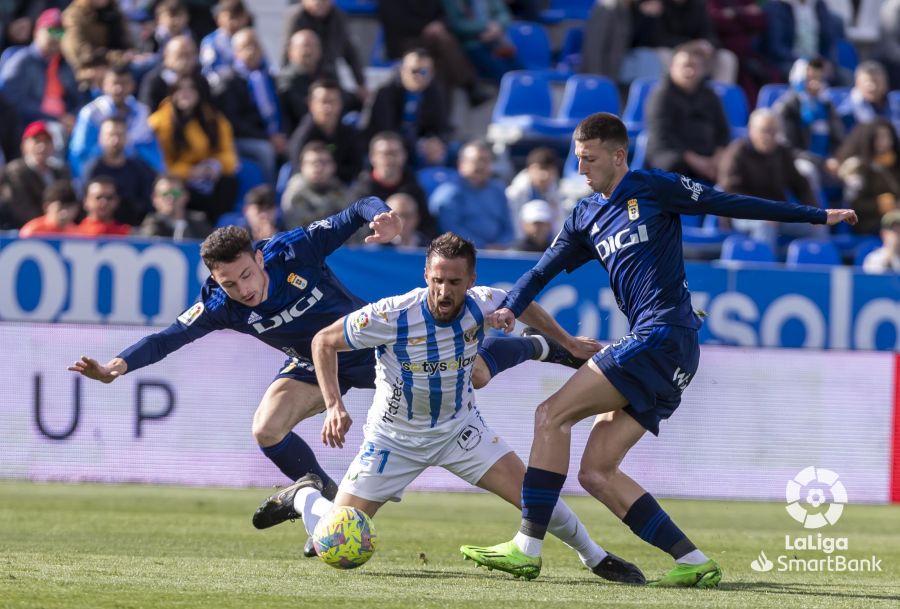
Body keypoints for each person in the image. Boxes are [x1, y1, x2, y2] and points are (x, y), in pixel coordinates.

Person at [458, 112, 858, 586]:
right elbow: (540, 270)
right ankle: (693, 561)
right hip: (671, 349)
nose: (580, 169)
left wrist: (817, 216)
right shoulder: (585, 216)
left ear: (618, 155)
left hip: (662, 334)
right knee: (597, 472)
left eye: (589, 159)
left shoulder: (653, 187)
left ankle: (527, 547)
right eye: (576, 158)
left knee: (551, 415)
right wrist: (513, 307)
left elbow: (729, 201)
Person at [68, 197, 583, 522]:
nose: (244, 289)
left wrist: (378, 215)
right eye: (230, 283)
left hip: (373, 347)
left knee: (475, 373)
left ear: (256, 256)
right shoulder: (220, 305)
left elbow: (354, 210)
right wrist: (117, 366)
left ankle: (543, 346)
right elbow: (167, 338)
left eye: (247, 275)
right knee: (266, 428)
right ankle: (317, 487)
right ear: (216, 279)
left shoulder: (292, 251)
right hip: (315, 363)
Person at [251, 232, 645, 585]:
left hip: (460, 431)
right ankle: (304, 495)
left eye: (454, 282)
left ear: (470, 281)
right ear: (426, 275)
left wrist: (569, 342)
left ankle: (595, 557)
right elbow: (323, 341)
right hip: (393, 441)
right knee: (333, 542)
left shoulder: (481, 302)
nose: (444, 291)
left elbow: (524, 306)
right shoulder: (391, 315)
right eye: (437, 280)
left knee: (534, 496)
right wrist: (334, 404)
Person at [281, 141, 347, 230]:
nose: (318, 168)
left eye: (323, 162)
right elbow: (297, 234)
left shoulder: (341, 191)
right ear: (302, 166)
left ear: (333, 166)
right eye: (312, 163)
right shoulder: (294, 196)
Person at [138, 174, 212, 240]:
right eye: (165, 194)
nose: (171, 198)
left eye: (175, 193)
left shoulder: (199, 222)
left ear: (186, 196)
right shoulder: (151, 224)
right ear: (155, 198)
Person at [862, 209, 900, 273]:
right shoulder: (874, 259)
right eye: (893, 230)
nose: (898, 234)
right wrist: (891, 252)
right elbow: (876, 281)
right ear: (883, 234)